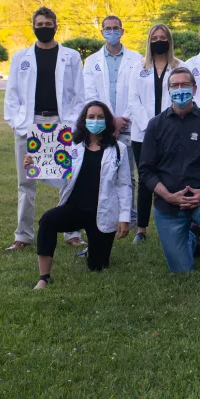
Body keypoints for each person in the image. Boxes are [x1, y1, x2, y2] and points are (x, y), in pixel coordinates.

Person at [3, 6, 85, 252]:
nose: (43, 29)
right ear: (33, 27)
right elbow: (12, 96)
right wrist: (20, 125)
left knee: (68, 180)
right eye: (39, 25)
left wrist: (71, 124)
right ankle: (23, 236)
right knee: (26, 182)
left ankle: (72, 232)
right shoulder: (21, 58)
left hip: (61, 124)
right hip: (30, 123)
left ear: (56, 26)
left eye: (47, 25)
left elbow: (79, 95)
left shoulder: (70, 56)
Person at [138, 67, 200, 283]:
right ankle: (190, 238)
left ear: (194, 88)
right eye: (175, 86)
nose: (180, 90)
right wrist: (168, 196)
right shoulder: (155, 125)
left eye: (185, 85)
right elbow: (145, 171)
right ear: (168, 90)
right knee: (182, 271)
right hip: (168, 203)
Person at [27, 101, 131, 289]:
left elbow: (124, 185)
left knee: (98, 267)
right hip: (74, 209)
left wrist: (124, 217)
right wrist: (36, 166)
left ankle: (93, 248)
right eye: (91, 117)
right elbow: (60, 179)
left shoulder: (118, 149)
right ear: (83, 120)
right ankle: (44, 277)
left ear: (107, 121)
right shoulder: (71, 145)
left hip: (102, 213)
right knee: (48, 220)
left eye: (100, 117)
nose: (95, 121)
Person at [126, 23, 183, 244]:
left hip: (173, 131)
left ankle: (175, 223)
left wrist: (166, 125)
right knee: (145, 181)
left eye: (163, 37)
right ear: (149, 41)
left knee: (174, 177)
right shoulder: (138, 67)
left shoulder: (179, 66)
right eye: (155, 37)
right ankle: (141, 229)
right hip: (143, 133)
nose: (159, 40)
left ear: (169, 40)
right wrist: (150, 126)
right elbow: (133, 99)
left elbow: (182, 97)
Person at [82, 15, 141, 226]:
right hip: (101, 125)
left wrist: (121, 120)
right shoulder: (91, 62)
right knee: (101, 172)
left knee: (128, 175)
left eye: (116, 28)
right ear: (102, 32)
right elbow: (90, 94)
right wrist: (109, 120)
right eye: (108, 28)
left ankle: (131, 219)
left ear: (123, 31)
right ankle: (100, 215)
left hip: (128, 125)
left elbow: (137, 93)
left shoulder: (136, 59)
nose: (112, 32)